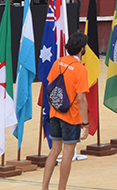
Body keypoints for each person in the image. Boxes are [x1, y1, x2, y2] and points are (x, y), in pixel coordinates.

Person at [42, 32, 89, 190]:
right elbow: (81, 98)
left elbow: (49, 85)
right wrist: (86, 123)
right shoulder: (80, 69)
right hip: (71, 116)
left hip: (55, 113)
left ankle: (44, 187)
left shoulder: (58, 61)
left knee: (54, 150)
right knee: (68, 153)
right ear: (82, 49)